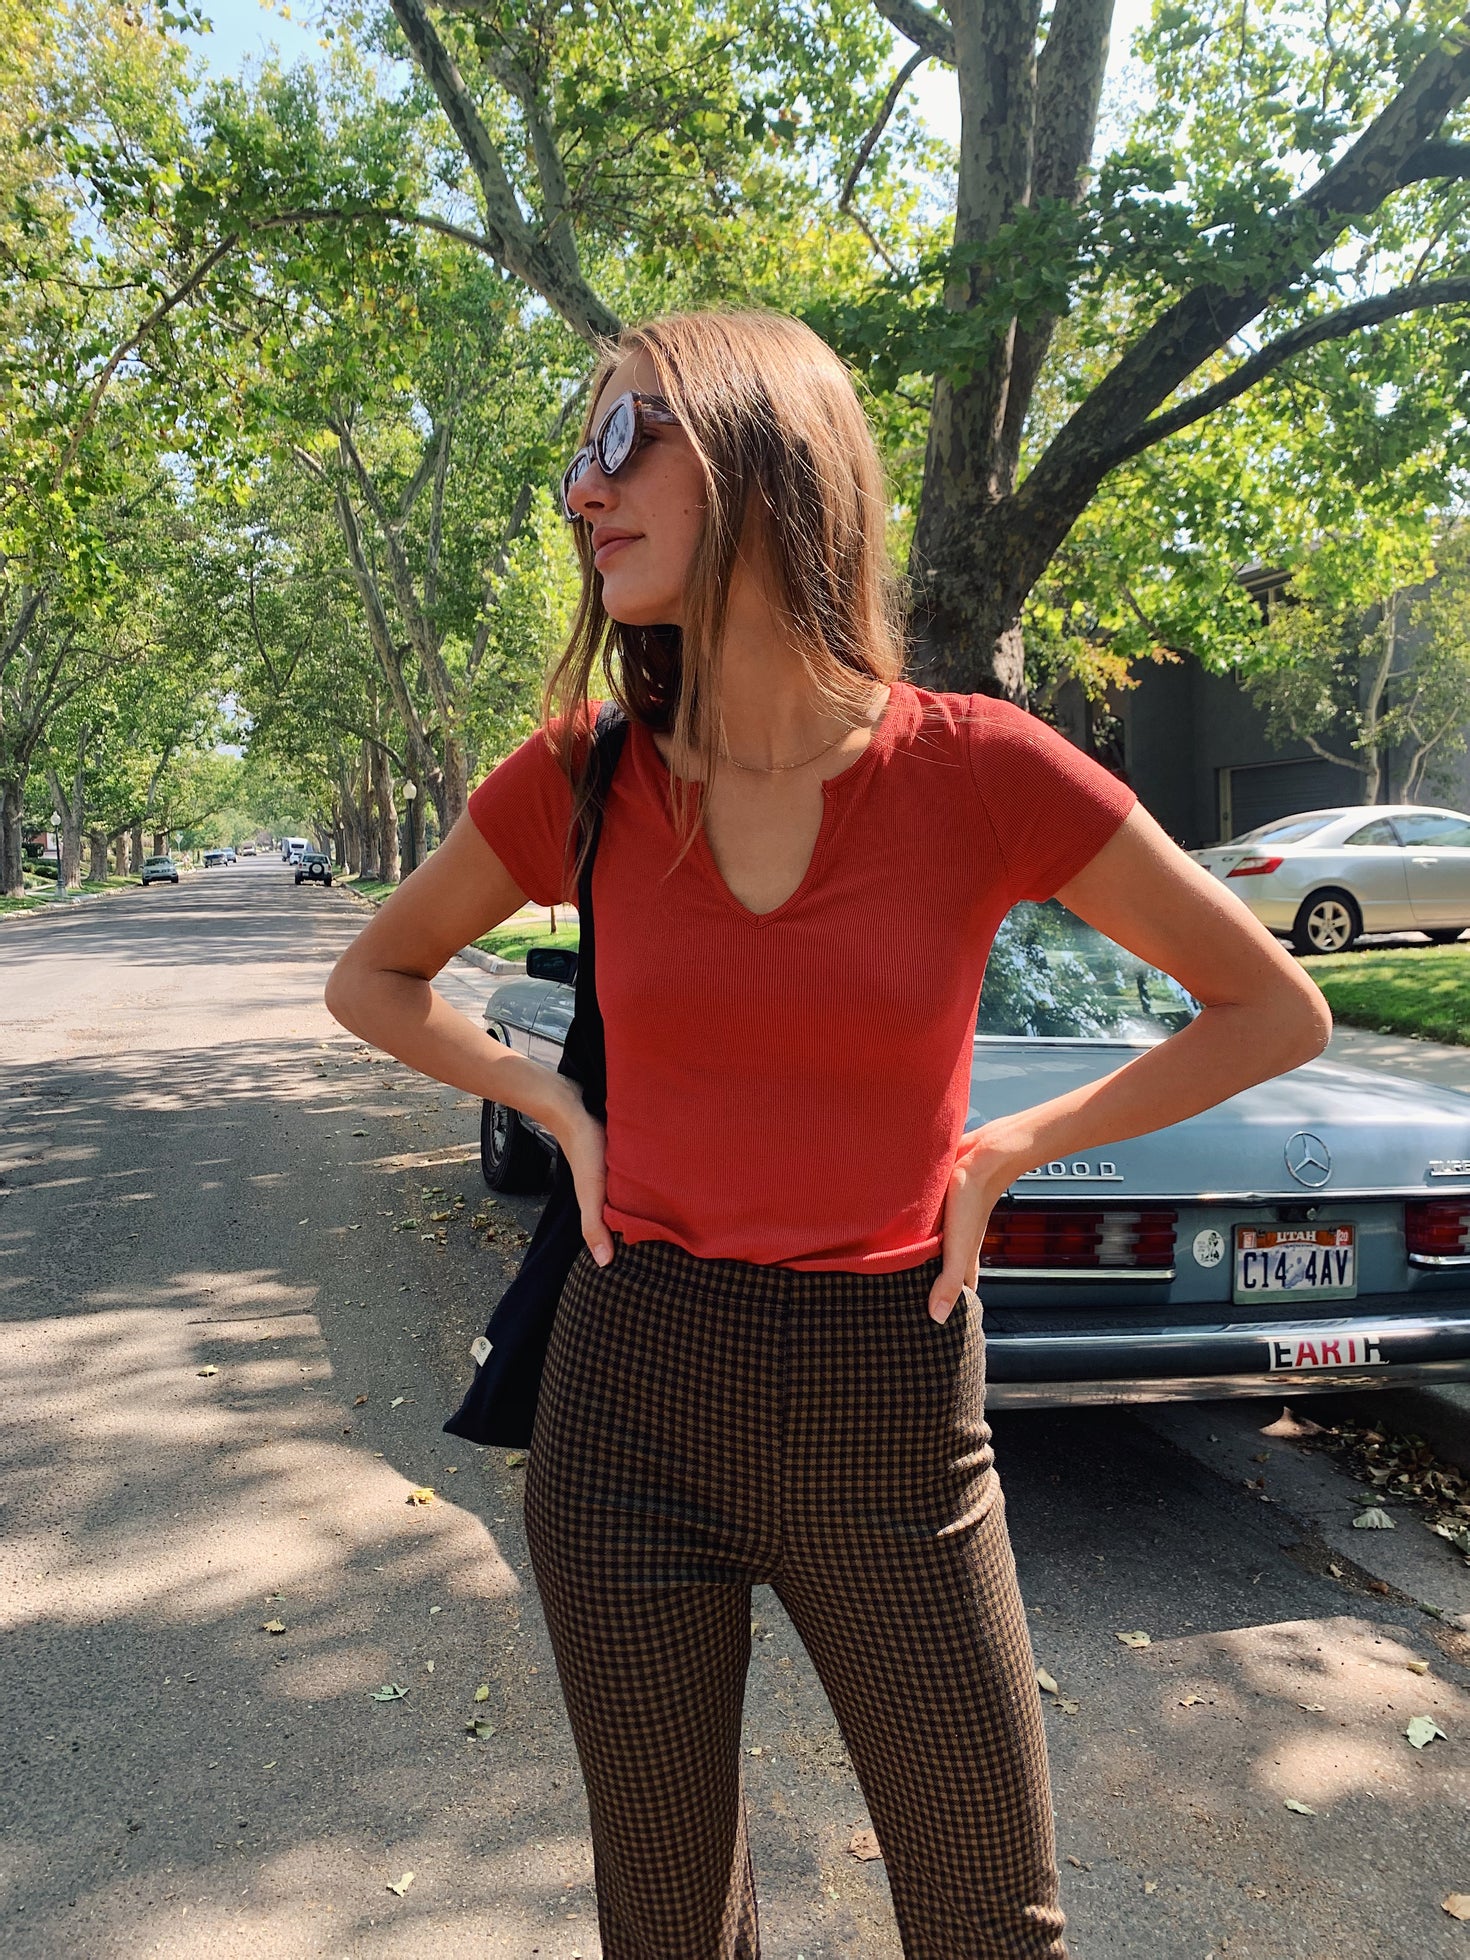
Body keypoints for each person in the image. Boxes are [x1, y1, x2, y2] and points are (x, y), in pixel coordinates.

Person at [324, 310, 1330, 1959]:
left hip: (891, 1401)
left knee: (990, 1919)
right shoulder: (583, 776)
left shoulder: (981, 771)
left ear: (765, 453)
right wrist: (554, 1102)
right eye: (578, 453)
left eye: (623, 436)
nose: (581, 491)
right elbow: (375, 977)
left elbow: (1269, 1009)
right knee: (667, 1924)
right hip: (631, 1383)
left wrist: (1006, 1151)